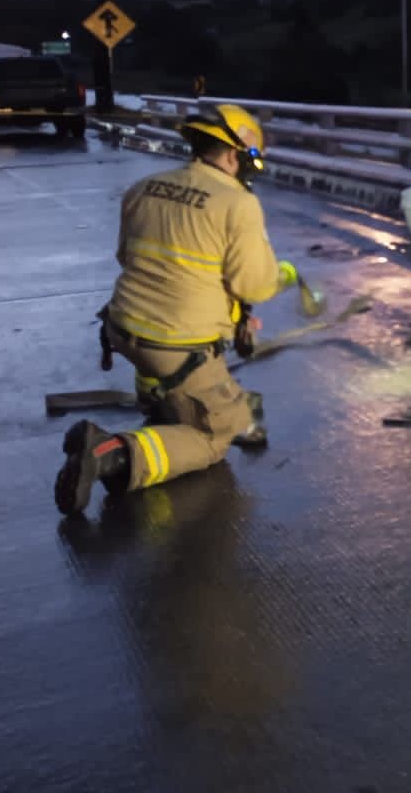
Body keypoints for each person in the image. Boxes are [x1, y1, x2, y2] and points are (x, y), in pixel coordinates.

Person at [55, 104, 300, 516]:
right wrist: (282, 276)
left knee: (173, 374)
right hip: (178, 348)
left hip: (121, 328)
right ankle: (111, 452)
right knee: (216, 436)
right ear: (232, 154)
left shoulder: (144, 187)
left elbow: (127, 257)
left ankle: (159, 404)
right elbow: (252, 283)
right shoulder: (237, 203)